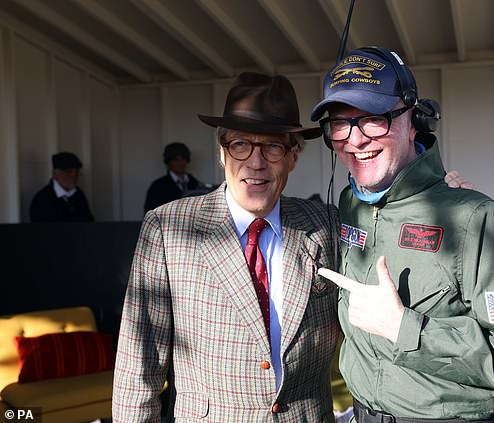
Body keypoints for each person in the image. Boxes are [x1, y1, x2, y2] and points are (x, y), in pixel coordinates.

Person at [311, 47, 494, 422]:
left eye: (373, 119)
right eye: (340, 123)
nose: (355, 139)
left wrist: (404, 328)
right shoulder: (351, 200)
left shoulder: (473, 217)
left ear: (414, 119)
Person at [113, 72, 341, 422]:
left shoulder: (326, 224)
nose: (255, 161)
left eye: (273, 146)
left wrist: (437, 186)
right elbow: (138, 366)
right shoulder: (167, 228)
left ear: (293, 157)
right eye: (240, 145)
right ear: (222, 153)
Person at [29, 152, 94, 222]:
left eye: (77, 172)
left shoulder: (78, 194)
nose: (74, 176)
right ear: (55, 174)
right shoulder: (43, 199)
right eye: (69, 171)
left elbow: (89, 222)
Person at [143, 142, 202, 213]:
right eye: (175, 159)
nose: (179, 162)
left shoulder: (196, 184)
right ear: (168, 162)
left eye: (183, 159)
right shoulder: (157, 186)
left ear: (187, 160)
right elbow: (149, 214)